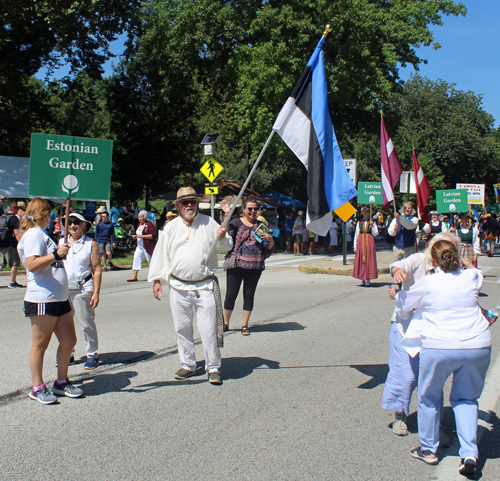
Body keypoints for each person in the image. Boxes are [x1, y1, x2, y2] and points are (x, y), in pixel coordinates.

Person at [390, 240, 492, 476]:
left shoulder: (428, 281)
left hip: (440, 345)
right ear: (456, 257)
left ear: (432, 261)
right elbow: (475, 273)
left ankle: (428, 449)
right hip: (477, 342)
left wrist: (398, 294)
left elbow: (404, 307)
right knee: (466, 398)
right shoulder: (472, 277)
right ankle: (469, 453)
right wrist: (466, 263)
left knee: (429, 397)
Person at [148, 187, 232, 385]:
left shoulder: (209, 223)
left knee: (208, 329)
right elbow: (160, 254)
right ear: (177, 205)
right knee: (182, 328)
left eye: (192, 202)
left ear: (197, 204)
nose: (189, 206)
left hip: (204, 286)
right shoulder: (170, 227)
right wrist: (157, 280)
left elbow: (225, 247)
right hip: (179, 286)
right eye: (184, 202)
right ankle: (188, 365)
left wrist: (222, 236)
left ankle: (213, 367)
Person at [382, 232, 460, 440]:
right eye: (442, 247)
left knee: (432, 380)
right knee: (406, 375)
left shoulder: (454, 272)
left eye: (450, 249)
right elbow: (400, 265)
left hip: (434, 332)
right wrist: (397, 271)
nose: (446, 253)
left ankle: (436, 426)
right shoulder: (420, 260)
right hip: (404, 327)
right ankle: (400, 413)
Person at [17, 198, 83, 404]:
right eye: (51, 213)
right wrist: (55, 254)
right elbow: (32, 264)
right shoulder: (34, 235)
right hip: (42, 299)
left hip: (59, 297)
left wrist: (57, 254)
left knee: (69, 341)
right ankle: (37, 387)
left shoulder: (42, 234)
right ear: (45, 214)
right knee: (40, 344)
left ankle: (61, 382)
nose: (52, 216)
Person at [223, 196, 275, 336]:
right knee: (231, 295)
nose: (252, 211)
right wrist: (227, 214)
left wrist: (270, 239)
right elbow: (225, 232)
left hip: (255, 265)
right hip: (236, 265)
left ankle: (245, 325)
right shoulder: (235, 223)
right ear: (244, 209)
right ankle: (226, 322)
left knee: (249, 295)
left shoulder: (261, 226)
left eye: (255, 209)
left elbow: (268, 249)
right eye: (250, 209)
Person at [60, 213, 102, 370]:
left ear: (83, 225)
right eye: (69, 222)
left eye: (76, 222)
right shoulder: (61, 242)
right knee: (64, 324)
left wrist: (96, 292)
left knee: (86, 322)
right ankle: (67, 352)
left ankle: (92, 354)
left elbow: (97, 269)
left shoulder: (91, 243)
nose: (72, 225)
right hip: (64, 289)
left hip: (83, 288)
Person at [352, 206, 378, 287]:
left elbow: (376, 233)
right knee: (361, 259)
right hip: (361, 241)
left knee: (369, 259)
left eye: (367, 212)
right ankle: (362, 278)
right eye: (364, 212)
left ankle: (368, 279)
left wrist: (372, 226)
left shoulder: (372, 222)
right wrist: (355, 246)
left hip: (369, 241)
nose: (365, 214)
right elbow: (356, 234)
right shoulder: (359, 222)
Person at [127, 210, 156, 282]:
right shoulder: (139, 225)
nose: (140, 219)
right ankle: (134, 276)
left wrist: (142, 236)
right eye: (139, 217)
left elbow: (153, 235)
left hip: (147, 246)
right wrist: (136, 236)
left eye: (141, 217)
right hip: (139, 246)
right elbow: (138, 234)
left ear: (145, 217)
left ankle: (155, 276)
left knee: (150, 261)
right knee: (136, 259)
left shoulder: (149, 224)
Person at [0, 201, 23, 288]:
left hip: (2, 243)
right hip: (11, 244)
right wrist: (20, 243)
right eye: (17, 208)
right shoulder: (14, 219)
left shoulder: (2, 216)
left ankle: (13, 282)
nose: (18, 210)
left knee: (2, 263)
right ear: (13, 209)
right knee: (14, 263)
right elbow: (16, 233)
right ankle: (12, 282)